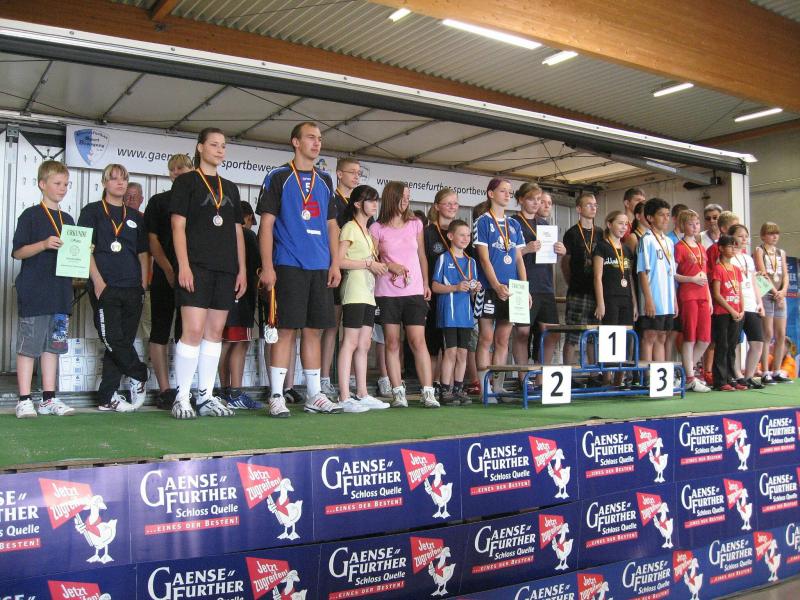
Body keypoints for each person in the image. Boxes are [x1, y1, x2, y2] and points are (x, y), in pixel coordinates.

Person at [257, 122, 342, 417]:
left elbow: (332, 225)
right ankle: (277, 395)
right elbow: (266, 225)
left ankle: (314, 394)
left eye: (319, 139)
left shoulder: (325, 180)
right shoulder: (278, 176)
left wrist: (335, 262)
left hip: (320, 265)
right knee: (285, 330)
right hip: (288, 263)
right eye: (310, 138)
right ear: (295, 142)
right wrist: (267, 266)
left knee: (314, 331)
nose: (317, 143)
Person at [170, 128, 247, 419]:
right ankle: (182, 397)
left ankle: (205, 396)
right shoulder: (186, 182)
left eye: (223, 146)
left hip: (225, 269)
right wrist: (183, 265)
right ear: (200, 147)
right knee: (192, 331)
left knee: (215, 333)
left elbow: (237, 232)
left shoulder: (231, 188)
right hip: (196, 267)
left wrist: (241, 269)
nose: (220, 150)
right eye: (214, 145)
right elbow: (177, 226)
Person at [79, 163, 149, 412]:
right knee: (111, 338)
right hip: (106, 286)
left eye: (124, 178)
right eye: (114, 178)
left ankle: (107, 396)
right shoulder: (92, 211)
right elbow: (84, 248)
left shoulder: (135, 217)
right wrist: (98, 282)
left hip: (133, 287)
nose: (120, 183)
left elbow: (143, 253)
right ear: (104, 182)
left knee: (123, 341)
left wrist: (143, 284)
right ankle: (139, 374)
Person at [12, 160, 76, 418]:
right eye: (57, 183)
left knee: (54, 346)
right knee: (29, 346)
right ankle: (24, 399)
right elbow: (18, 252)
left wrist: (83, 252)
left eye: (66, 184)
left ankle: (49, 398)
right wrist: (43, 244)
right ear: (42, 184)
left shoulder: (68, 219)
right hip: (35, 292)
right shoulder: (30, 215)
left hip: (61, 293)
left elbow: (73, 256)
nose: (62, 188)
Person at [369, 181, 439, 408]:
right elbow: (372, 259)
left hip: (414, 290)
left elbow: (422, 256)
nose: (406, 201)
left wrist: (425, 283)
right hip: (386, 292)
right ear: (392, 198)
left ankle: (428, 391)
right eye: (403, 197)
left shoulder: (416, 224)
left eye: (408, 196)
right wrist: (390, 266)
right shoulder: (377, 228)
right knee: (391, 342)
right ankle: (398, 392)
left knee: (418, 340)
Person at [143, 153, 193, 409]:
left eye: (182, 167)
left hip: (193, 276)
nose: (177, 172)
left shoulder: (198, 202)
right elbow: (152, 241)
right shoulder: (158, 202)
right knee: (160, 330)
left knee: (188, 333)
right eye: (173, 169)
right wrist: (169, 270)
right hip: (165, 275)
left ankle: (186, 388)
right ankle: (165, 390)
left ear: (191, 169)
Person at [473, 178, 529, 400]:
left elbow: (519, 259)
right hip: (489, 288)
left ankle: (498, 386)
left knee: (503, 339)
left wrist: (524, 289)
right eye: (503, 191)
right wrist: (496, 285)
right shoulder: (482, 222)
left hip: (512, 288)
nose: (507, 195)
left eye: (509, 192)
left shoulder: (514, 225)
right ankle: (484, 387)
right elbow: (484, 259)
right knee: (486, 338)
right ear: (491, 194)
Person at [336, 184, 390, 411]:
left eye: (376, 200)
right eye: (371, 200)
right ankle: (344, 396)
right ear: (358, 204)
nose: (375, 204)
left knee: (364, 344)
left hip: (368, 292)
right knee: (350, 342)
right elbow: (339, 261)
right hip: (354, 291)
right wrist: (368, 263)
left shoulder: (367, 231)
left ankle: (362, 392)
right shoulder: (349, 227)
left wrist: (381, 267)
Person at [320, 157, 363, 398]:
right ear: (339, 174)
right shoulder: (331, 200)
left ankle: (353, 380)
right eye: (352, 172)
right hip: (335, 267)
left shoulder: (360, 203)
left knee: (355, 328)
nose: (356, 176)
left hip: (357, 273)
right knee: (331, 325)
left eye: (359, 173)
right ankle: (324, 378)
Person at [217, 201, 264, 409]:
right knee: (239, 342)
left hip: (221, 294)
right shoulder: (247, 235)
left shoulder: (220, 234)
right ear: (247, 217)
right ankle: (235, 392)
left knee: (224, 343)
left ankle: (224, 390)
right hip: (242, 295)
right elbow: (258, 268)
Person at [513, 185, 566, 368]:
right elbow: (504, 255)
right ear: (520, 200)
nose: (536, 203)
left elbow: (551, 256)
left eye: (538, 199)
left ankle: (541, 376)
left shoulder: (544, 224)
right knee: (522, 332)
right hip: (522, 284)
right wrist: (525, 249)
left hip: (545, 284)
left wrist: (560, 250)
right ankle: (523, 376)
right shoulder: (512, 223)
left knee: (552, 332)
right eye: (531, 199)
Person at [432, 219, 480, 405]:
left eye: (468, 235)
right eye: (462, 235)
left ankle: (458, 389)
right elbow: (435, 286)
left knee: (462, 354)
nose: (466, 238)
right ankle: (445, 390)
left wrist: (475, 288)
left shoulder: (471, 262)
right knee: (450, 352)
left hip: (466, 316)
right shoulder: (444, 258)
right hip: (449, 315)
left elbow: (472, 289)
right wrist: (455, 287)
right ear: (451, 236)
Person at [592, 210, 637, 385]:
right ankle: (607, 379)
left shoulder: (626, 249)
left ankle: (620, 380)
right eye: (620, 223)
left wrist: (634, 303)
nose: (623, 227)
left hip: (626, 298)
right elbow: (597, 277)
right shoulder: (602, 247)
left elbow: (629, 278)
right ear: (609, 224)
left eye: (626, 224)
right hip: (610, 298)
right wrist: (600, 303)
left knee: (626, 339)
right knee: (610, 338)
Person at [424, 188, 461, 396]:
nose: (452, 207)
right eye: (448, 203)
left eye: (455, 203)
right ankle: (429, 385)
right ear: (437, 206)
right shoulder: (428, 233)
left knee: (451, 345)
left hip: (457, 298)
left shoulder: (461, 231)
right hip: (434, 295)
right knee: (432, 343)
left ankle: (444, 384)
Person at [561, 192, 601, 369]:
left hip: (596, 291)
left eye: (595, 205)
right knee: (573, 335)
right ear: (579, 208)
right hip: (577, 290)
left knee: (594, 335)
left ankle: (594, 374)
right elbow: (565, 262)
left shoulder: (600, 233)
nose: (593, 208)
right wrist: (572, 283)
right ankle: (567, 373)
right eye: (589, 205)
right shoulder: (572, 233)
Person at [674, 209, 712, 392]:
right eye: (691, 224)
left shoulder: (701, 247)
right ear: (683, 225)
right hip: (688, 295)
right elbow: (673, 274)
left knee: (704, 339)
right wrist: (691, 279)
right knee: (690, 337)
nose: (695, 227)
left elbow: (705, 275)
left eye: (697, 223)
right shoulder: (679, 247)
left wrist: (709, 298)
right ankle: (689, 376)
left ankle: (684, 374)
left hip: (703, 295)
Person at [637, 198, 677, 364]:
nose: (666, 218)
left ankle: (659, 374)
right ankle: (646, 375)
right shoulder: (646, 240)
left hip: (667, 300)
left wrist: (674, 300)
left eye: (668, 215)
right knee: (650, 336)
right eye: (661, 215)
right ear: (650, 217)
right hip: (653, 297)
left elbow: (671, 273)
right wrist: (648, 300)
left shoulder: (669, 242)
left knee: (662, 336)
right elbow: (642, 272)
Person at [755, 222, 792, 384]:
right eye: (770, 233)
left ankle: (777, 370)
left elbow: (785, 275)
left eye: (776, 233)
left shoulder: (781, 252)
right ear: (763, 236)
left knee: (781, 334)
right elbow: (762, 273)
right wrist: (775, 292)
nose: (774, 236)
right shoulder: (759, 250)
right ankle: (765, 371)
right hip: (766, 294)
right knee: (767, 333)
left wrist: (783, 291)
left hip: (780, 296)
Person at [730, 224, 765, 389]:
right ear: (732, 237)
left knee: (757, 342)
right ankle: (737, 375)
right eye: (740, 236)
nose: (744, 239)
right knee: (735, 342)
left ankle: (749, 376)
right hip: (737, 304)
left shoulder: (748, 259)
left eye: (746, 236)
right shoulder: (728, 258)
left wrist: (760, 302)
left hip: (752, 304)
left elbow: (753, 282)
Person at [710, 235, 746, 391]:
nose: (733, 249)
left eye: (734, 246)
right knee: (722, 345)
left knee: (732, 346)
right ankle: (720, 380)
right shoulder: (718, 268)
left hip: (736, 312)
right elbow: (717, 294)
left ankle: (731, 378)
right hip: (722, 313)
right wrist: (731, 310)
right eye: (730, 246)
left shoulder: (736, 269)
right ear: (721, 248)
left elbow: (740, 292)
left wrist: (742, 309)